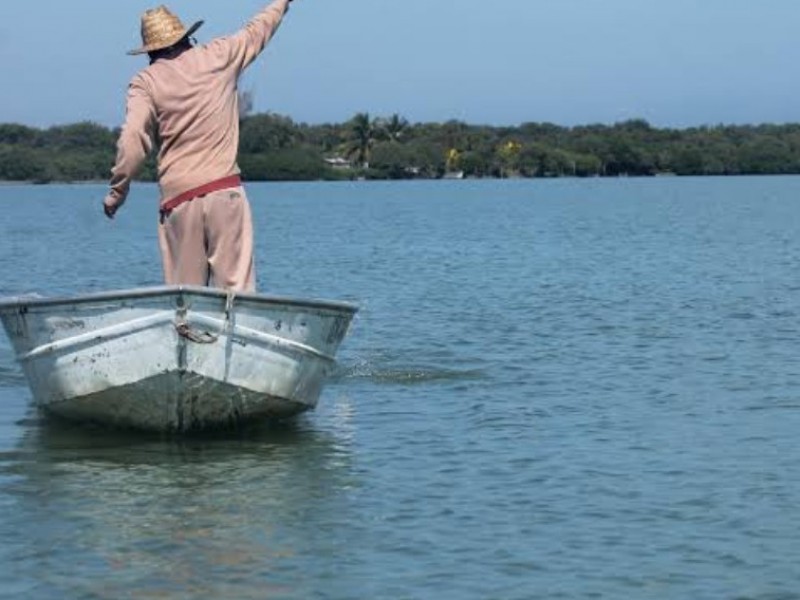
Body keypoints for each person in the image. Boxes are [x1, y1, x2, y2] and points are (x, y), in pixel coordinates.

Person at [102, 0, 294, 292]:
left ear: (151, 52)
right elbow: (260, 27)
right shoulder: (220, 55)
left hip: (179, 203)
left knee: (185, 300)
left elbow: (133, 139)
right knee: (237, 295)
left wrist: (117, 193)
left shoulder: (145, 82)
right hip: (225, 192)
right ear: (186, 38)